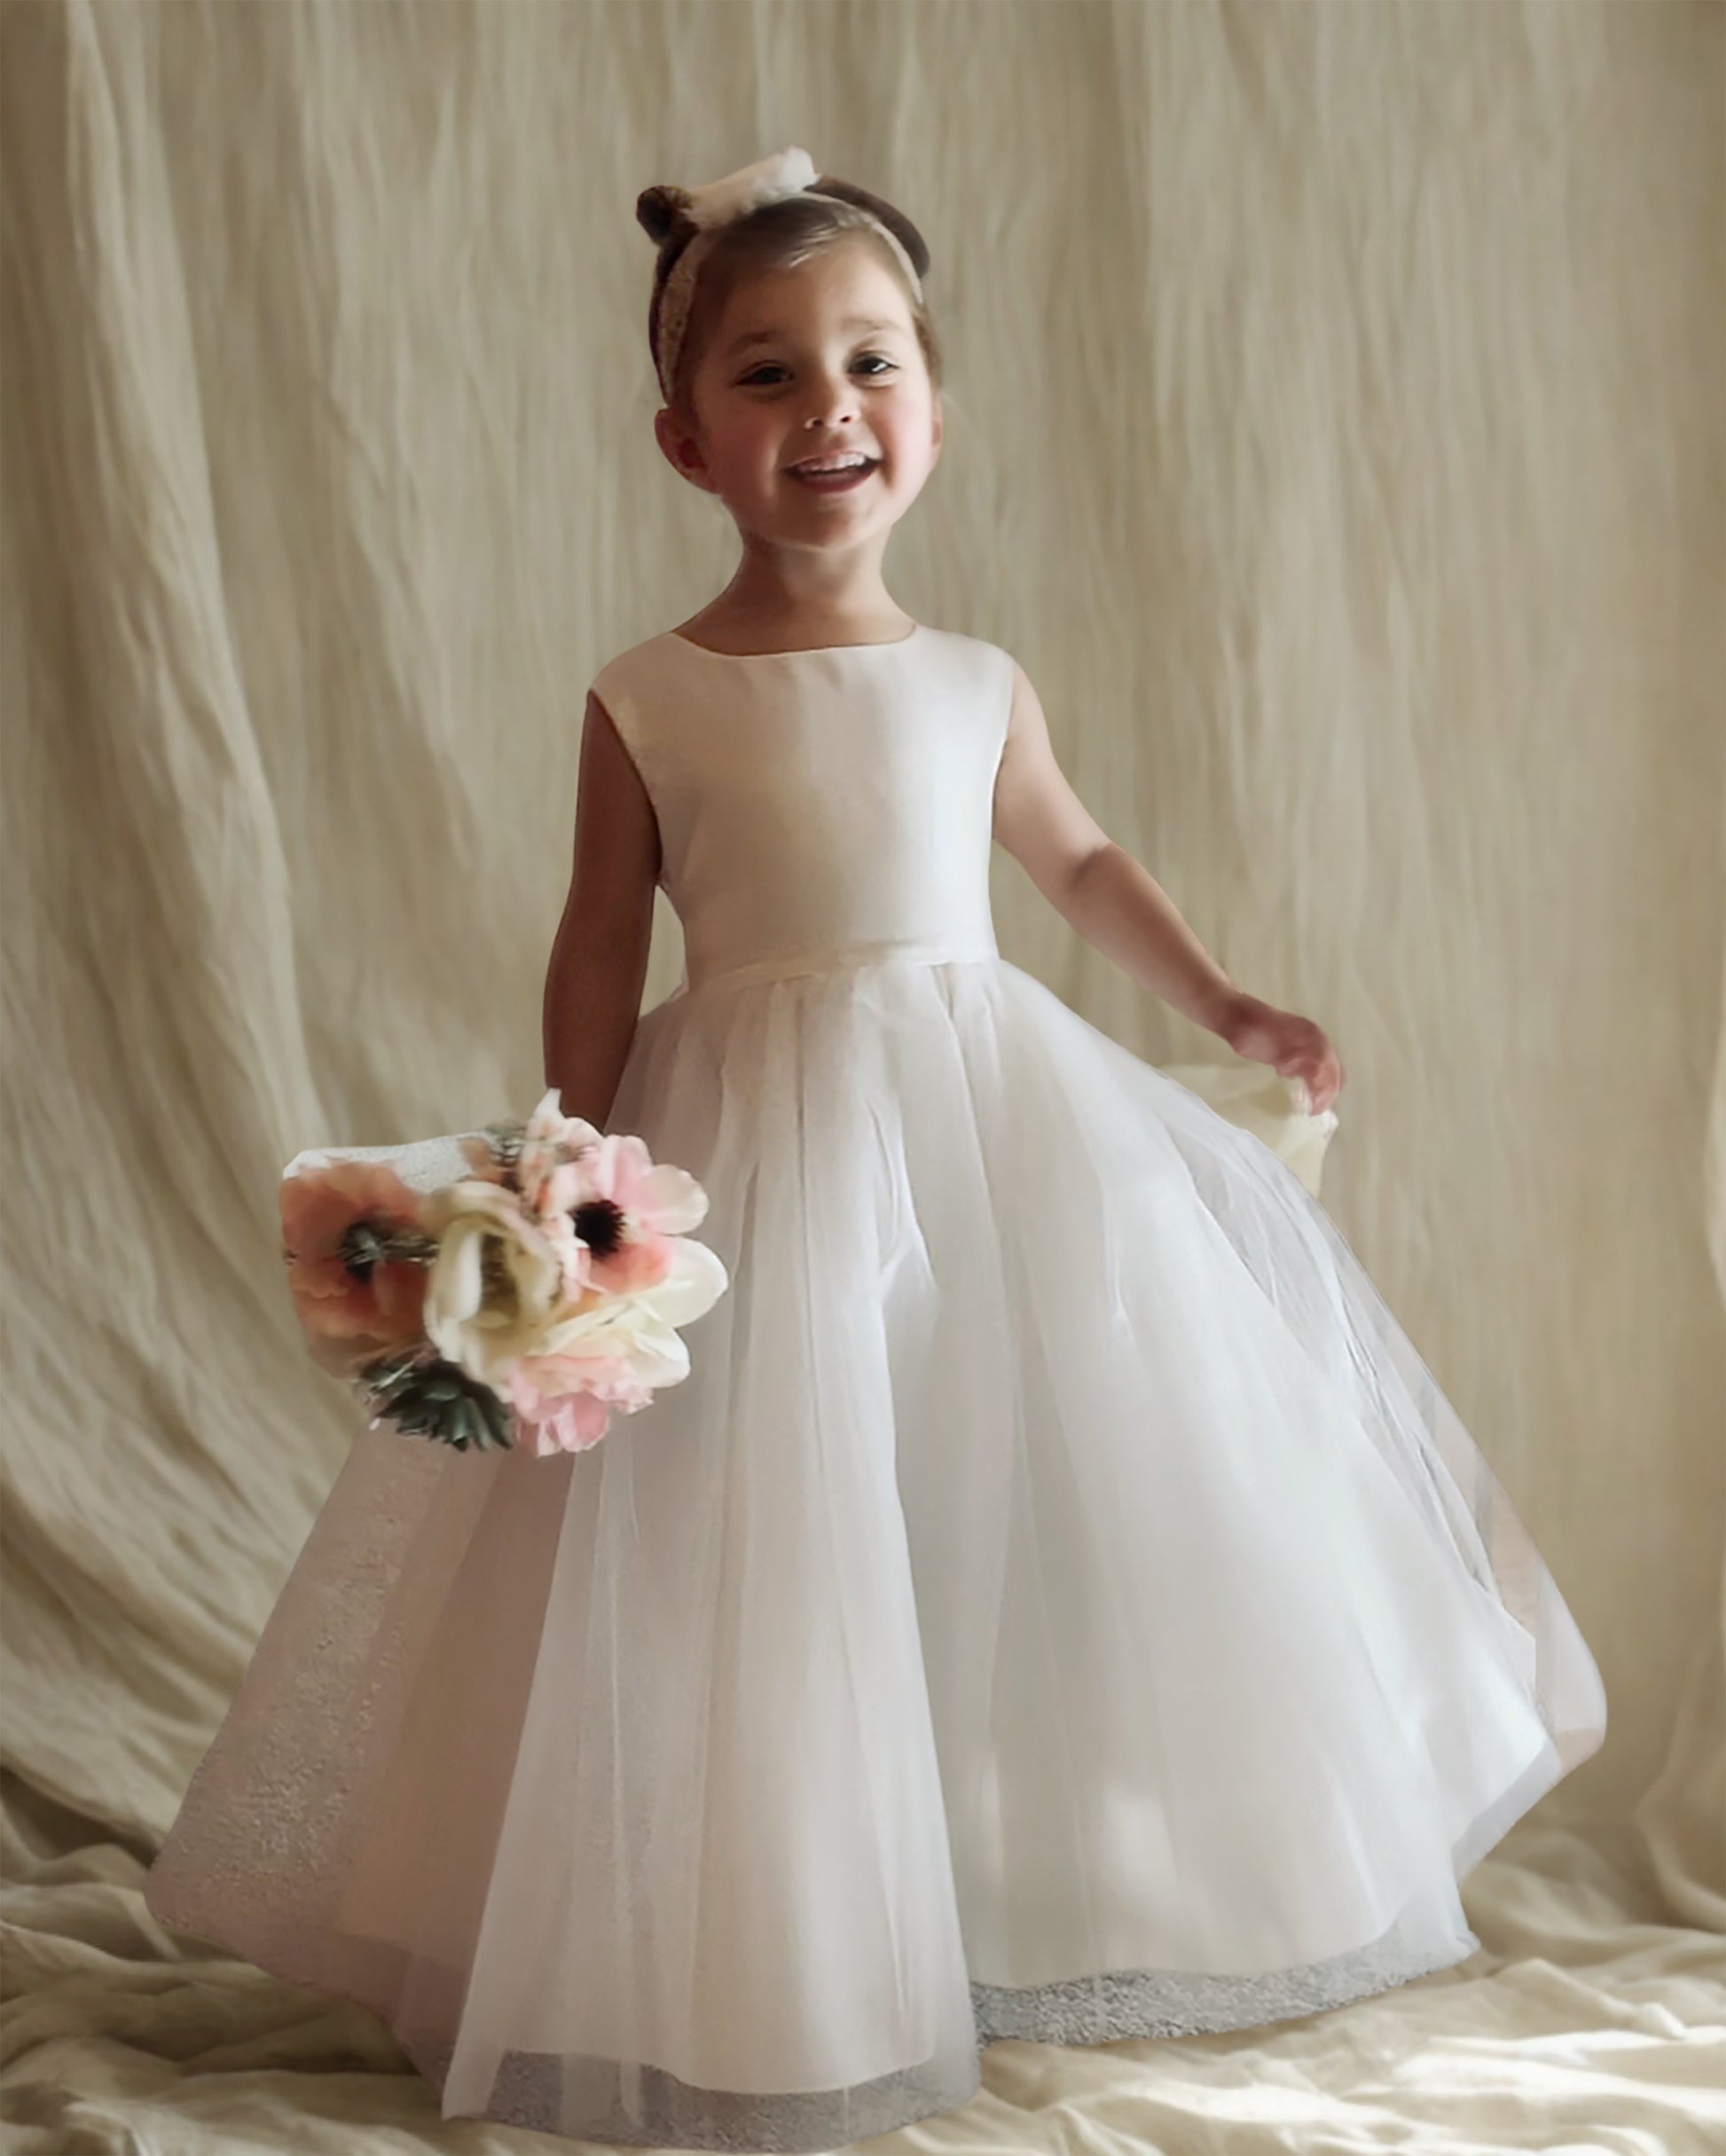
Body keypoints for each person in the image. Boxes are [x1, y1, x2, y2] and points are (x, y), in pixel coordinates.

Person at [145, 146, 1608, 2154]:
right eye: (765, 375)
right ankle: (772, 1933)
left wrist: (1224, 1008)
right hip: (740, 1139)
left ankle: (1007, 1883)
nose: (826, 405)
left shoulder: (975, 681)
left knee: (1011, 1491)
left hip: (983, 1115)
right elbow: (598, 929)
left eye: (870, 360)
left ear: (931, 405)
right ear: (684, 442)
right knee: (764, 1525)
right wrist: (567, 1146)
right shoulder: (646, 695)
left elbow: (1075, 859)